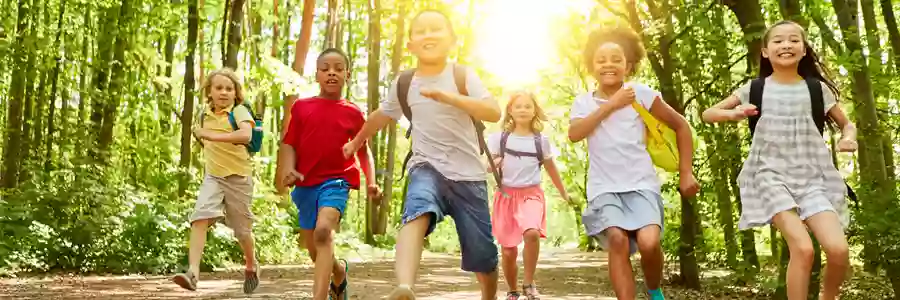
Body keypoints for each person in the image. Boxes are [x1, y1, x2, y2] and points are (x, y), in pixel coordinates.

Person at [342, 9, 502, 300]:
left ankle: (488, 295)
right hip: (426, 166)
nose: (428, 35)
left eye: (436, 29)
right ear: (410, 45)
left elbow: (493, 111)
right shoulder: (405, 82)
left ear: (452, 41)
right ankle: (404, 287)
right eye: (421, 30)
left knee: (483, 257)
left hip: (469, 176)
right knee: (416, 211)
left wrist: (450, 97)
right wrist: (356, 142)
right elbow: (381, 116)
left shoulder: (462, 75)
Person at [701, 20, 855, 300]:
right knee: (803, 249)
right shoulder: (754, 88)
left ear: (804, 49)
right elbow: (708, 114)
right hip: (769, 175)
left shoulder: (816, 89)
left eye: (794, 40)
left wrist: (848, 138)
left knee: (838, 250)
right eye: (779, 40)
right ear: (765, 52)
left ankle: (828, 297)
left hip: (813, 178)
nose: (786, 45)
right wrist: (733, 114)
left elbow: (848, 124)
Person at [567, 27, 700, 300]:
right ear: (592, 66)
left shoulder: (641, 94)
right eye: (601, 59)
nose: (608, 64)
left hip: (641, 184)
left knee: (649, 243)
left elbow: (681, 126)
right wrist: (611, 105)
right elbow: (575, 134)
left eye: (616, 59)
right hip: (604, 188)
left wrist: (686, 173)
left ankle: (654, 291)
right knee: (617, 240)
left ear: (628, 65)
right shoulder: (583, 103)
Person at [279, 48, 381, 300]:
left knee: (323, 231)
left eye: (338, 68)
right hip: (305, 183)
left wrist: (372, 181)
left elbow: (363, 150)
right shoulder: (302, 107)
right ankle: (339, 272)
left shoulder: (354, 112)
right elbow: (290, 142)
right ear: (317, 75)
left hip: (337, 179)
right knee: (314, 248)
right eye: (325, 68)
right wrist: (289, 168)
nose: (332, 73)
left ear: (347, 74)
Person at [172, 68, 260, 294]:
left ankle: (251, 264)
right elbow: (206, 144)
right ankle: (193, 273)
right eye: (219, 88)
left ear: (235, 93)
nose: (224, 92)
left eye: (229, 89)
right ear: (209, 91)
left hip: (239, 178)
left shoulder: (239, 111)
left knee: (242, 232)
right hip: (213, 177)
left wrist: (211, 135)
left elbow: (246, 136)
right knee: (199, 218)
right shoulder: (204, 114)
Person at [488, 91, 571, 300]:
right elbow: (487, 167)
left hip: (531, 195)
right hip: (506, 197)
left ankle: (528, 283)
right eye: (518, 106)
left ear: (535, 111)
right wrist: (495, 163)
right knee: (508, 251)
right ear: (510, 111)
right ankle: (512, 290)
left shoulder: (540, 141)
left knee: (532, 233)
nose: (523, 110)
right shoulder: (499, 139)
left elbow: (551, 168)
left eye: (527, 106)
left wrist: (563, 192)